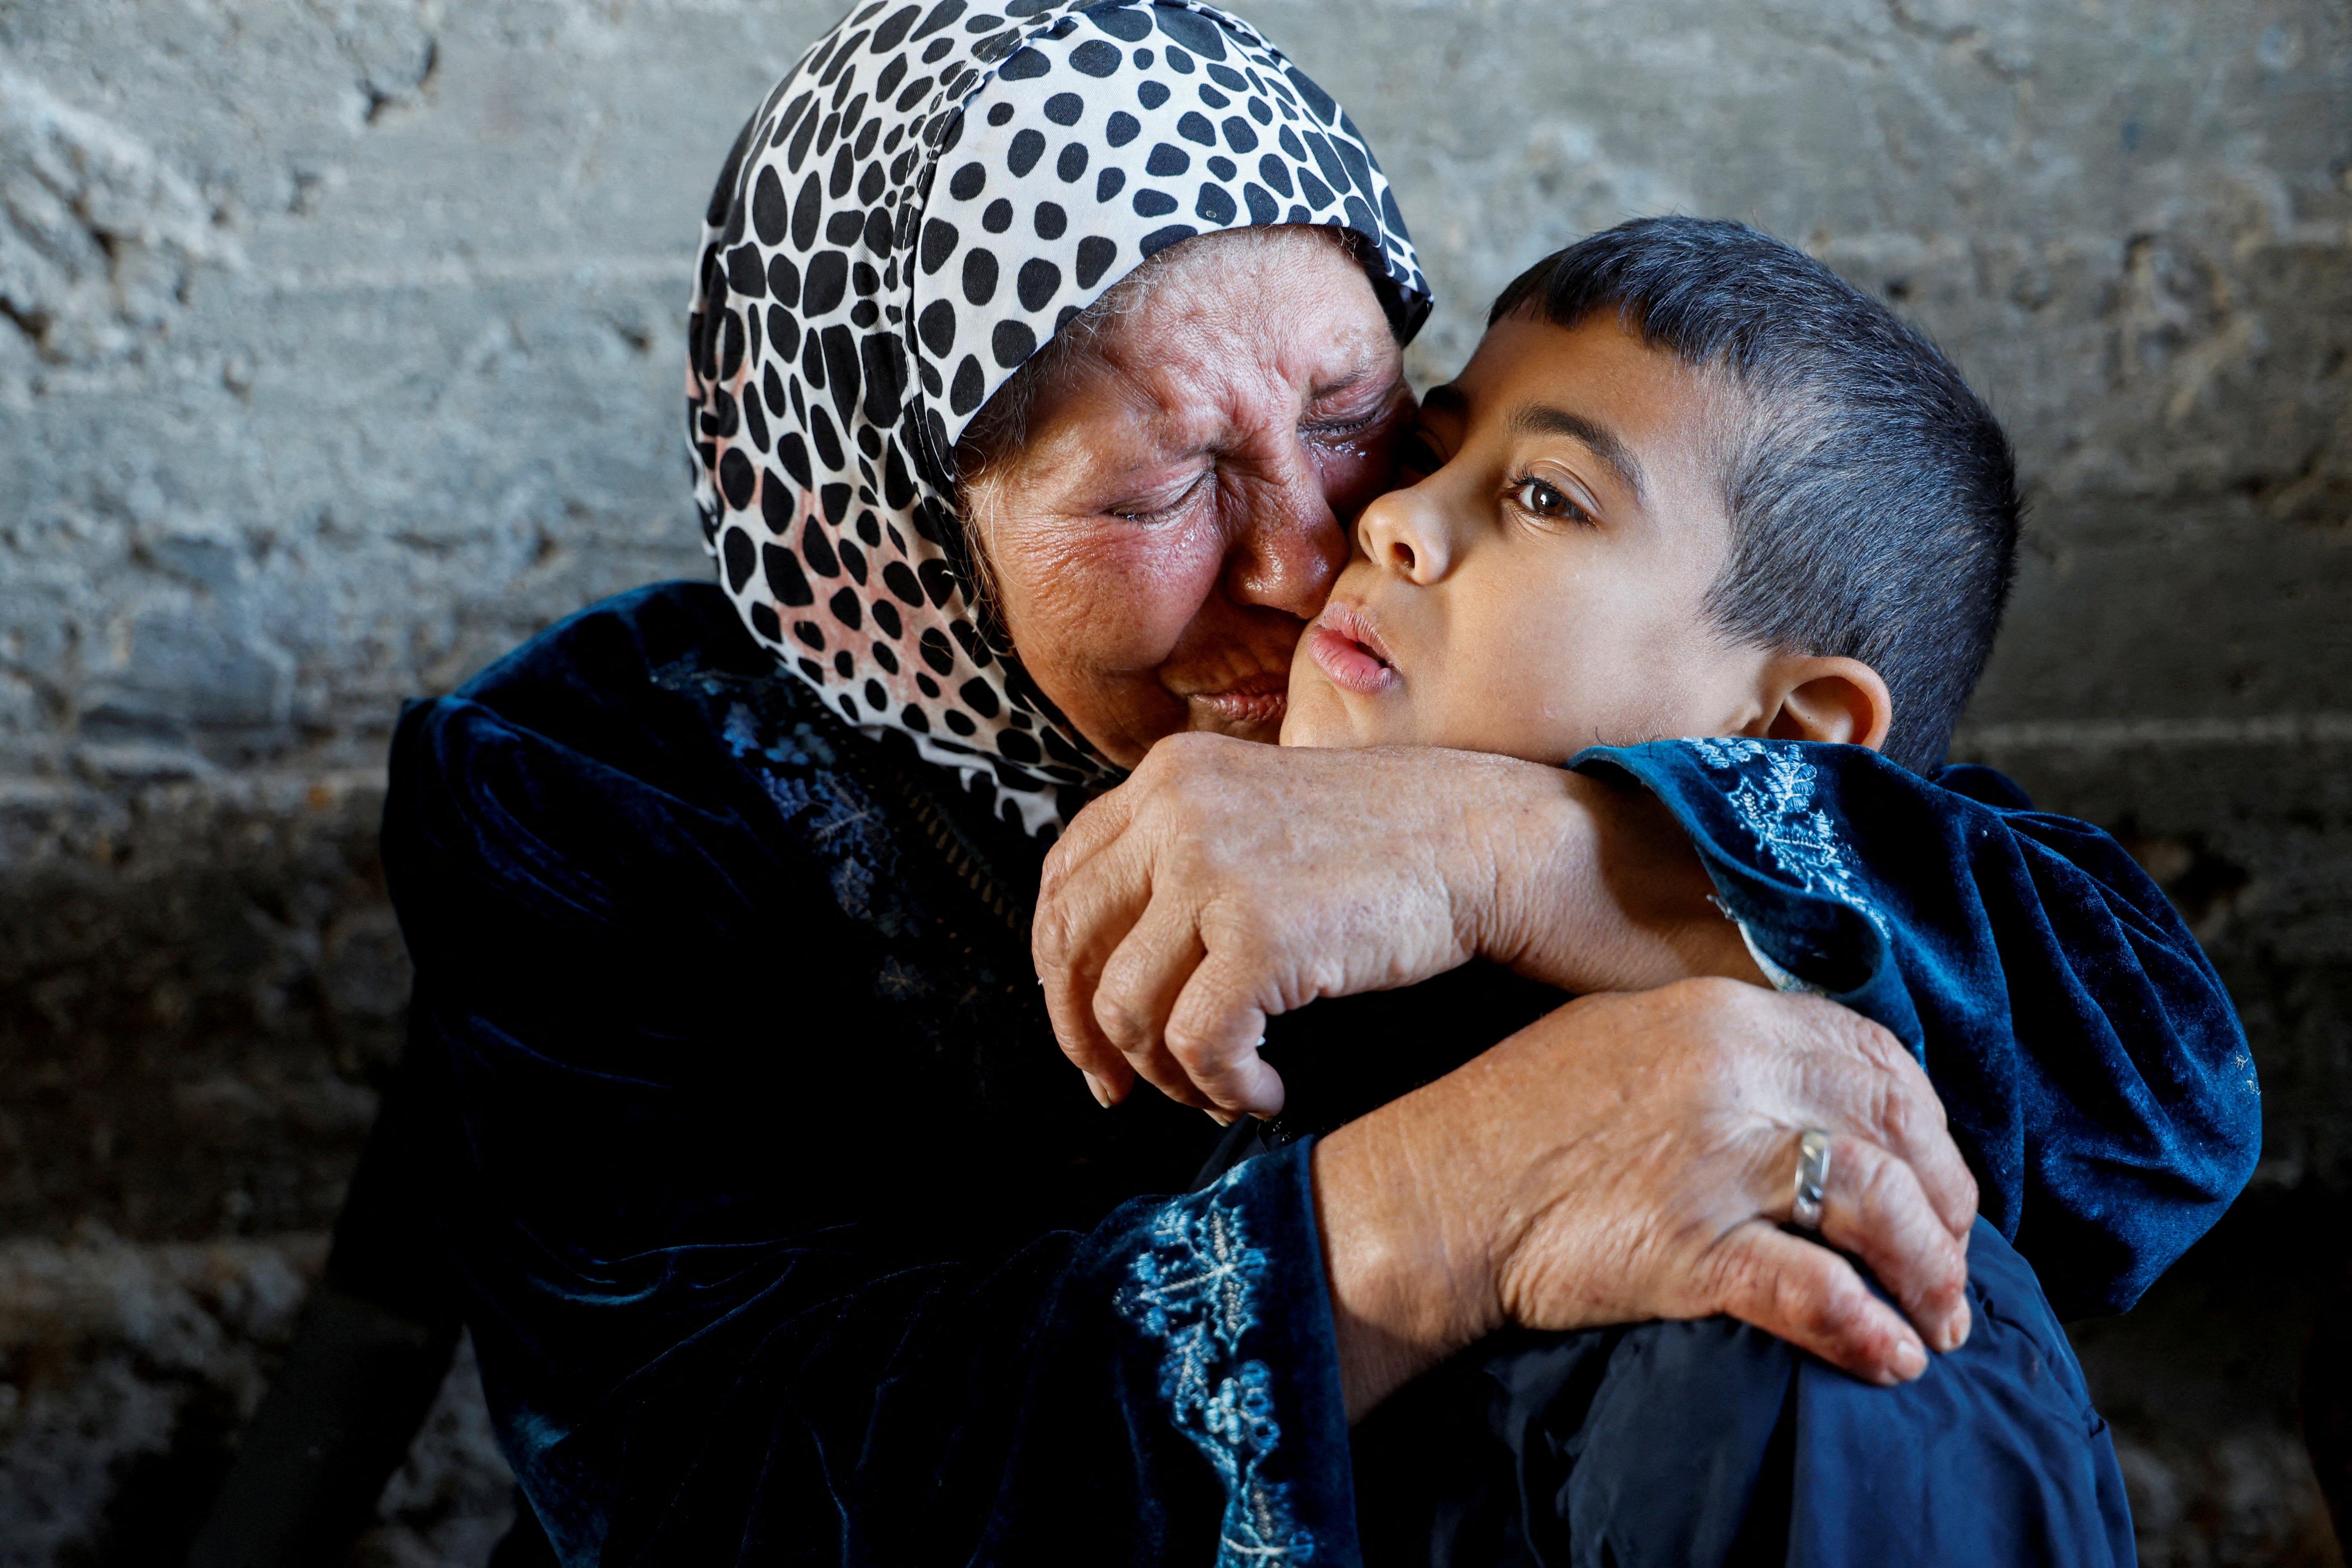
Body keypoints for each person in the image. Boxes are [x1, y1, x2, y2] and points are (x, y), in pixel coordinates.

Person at [366, 4, 2245, 1564]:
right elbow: (710, 1490)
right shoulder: (597, 792)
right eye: (1156, 491)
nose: (1312, 553)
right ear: (907, 526)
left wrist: (1516, 851)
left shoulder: (1513, 697)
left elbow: (2143, 1090)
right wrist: (1449, 1192)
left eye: (1361, 420)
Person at [1113, 215, 2235, 1562]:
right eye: (1427, 451)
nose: (1394, 519)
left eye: (1547, 496)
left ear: (1789, 738)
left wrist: (1513, 849)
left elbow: (2164, 1086)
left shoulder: (1797, 1299)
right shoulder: (1290, 1022)